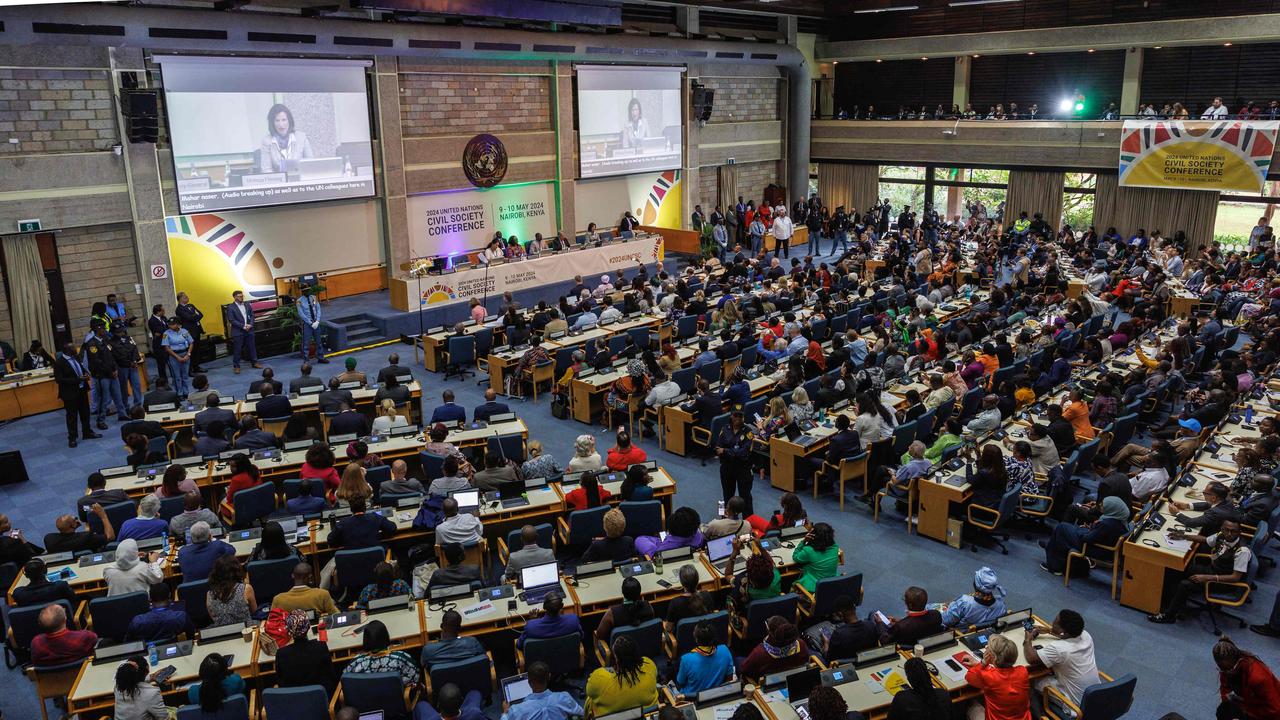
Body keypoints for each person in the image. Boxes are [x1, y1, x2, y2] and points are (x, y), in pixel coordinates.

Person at [1149, 520, 1252, 624]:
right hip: (1212, 570)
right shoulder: (1221, 535)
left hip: (1223, 582)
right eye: (1226, 530)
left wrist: (1206, 577)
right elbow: (1205, 540)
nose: (1229, 534)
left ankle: (1169, 616)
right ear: (1222, 529)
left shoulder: (1242, 551)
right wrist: (1184, 536)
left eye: (1233, 531)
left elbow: (1235, 577)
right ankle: (1174, 605)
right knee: (1175, 569)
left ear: (1239, 532)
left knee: (1184, 584)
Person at [1022, 609, 1099, 715]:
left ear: (1064, 632)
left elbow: (1031, 658)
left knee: (1030, 681)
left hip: (1076, 705)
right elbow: (1065, 635)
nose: (1052, 622)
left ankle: (1039, 715)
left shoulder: (1060, 649)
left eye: (1055, 622)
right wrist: (1050, 630)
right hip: (1095, 696)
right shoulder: (1086, 636)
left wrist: (1028, 640)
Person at [1043, 496, 1130, 576]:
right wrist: (1091, 529)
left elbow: (1087, 539)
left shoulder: (1107, 524)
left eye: (1103, 505)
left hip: (1094, 549)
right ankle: (1053, 548)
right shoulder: (1121, 521)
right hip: (1103, 548)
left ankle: (1055, 566)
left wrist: (1082, 531)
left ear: (1111, 509)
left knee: (1061, 528)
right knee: (1064, 531)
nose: (1100, 505)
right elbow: (1100, 535)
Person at [960, 634, 1031, 720]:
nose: (986, 648)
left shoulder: (988, 677)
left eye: (988, 647)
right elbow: (1000, 673)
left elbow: (969, 677)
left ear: (992, 657)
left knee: (970, 704)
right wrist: (981, 664)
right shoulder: (1023, 671)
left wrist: (982, 663)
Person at [584, 635, 659, 716]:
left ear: (617, 659)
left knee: (590, 700)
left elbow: (589, 691)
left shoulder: (599, 678)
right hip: (645, 715)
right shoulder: (649, 665)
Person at [1212, 635, 1280, 720]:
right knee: (1223, 711)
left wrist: (1246, 711)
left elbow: (1275, 710)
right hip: (1249, 704)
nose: (1226, 672)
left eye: (1229, 669)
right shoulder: (1226, 668)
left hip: (1269, 713)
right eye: (1222, 669)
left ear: (1238, 660)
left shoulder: (1258, 677)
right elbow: (1225, 692)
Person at [274, 609, 335, 694]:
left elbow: (281, 683)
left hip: (294, 703)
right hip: (321, 701)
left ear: (288, 630)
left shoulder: (281, 654)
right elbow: (331, 677)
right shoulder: (321, 647)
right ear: (308, 626)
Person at [54, 340, 100, 447]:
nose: (76, 349)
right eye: (73, 348)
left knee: (85, 413)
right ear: (68, 350)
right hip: (70, 394)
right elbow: (59, 379)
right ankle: (72, 438)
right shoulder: (59, 363)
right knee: (72, 416)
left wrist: (85, 375)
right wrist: (77, 379)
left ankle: (87, 432)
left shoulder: (76, 358)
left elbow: (81, 370)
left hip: (82, 390)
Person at [501, 660, 582, 720]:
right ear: (549, 677)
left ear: (529, 682)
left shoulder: (517, 710)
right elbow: (581, 713)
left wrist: (505, 712)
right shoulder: (564, 698)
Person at [674, 620, 734, 697]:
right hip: (717, 696)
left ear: (696, 639)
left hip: (690, 698)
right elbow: (729, 680)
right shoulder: (725, 650)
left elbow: (679, 684)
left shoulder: (686, 659)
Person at [739, 616, 808, 679]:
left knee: (737, 659)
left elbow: (744, 670)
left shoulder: (759, 653)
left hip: (767, 683)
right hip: (792, 678)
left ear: (770, 633)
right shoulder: (801, 644)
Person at [940, 567, 1007, 629]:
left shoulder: (964, 603)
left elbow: (945, 621)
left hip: (960, 635)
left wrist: (952, 605)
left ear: (976, 584)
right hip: (983, 634)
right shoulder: (1001, 605)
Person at [126, 581, 195, 643]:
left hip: (148, 655)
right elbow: (191, 637)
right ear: (169, 595)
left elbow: (128, 643)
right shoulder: (181, 617)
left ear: (150, 599)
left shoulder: (137, 622)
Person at [31, 602, 98, 665]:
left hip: (50, 677)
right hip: (84, 673)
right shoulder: (85, 637)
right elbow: (95, 641)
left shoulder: (36, 643)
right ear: (65, 619)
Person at [716, 410, 756, 516]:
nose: (737, 418)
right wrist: (733, 452)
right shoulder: (725, 429)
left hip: (743, 469)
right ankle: (728, 519)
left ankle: (748, 521)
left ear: (743, 417)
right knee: (727, 495)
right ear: (731, 416)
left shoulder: (748, 432)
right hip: (727, 467)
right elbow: (718, 447)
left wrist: (726, 451)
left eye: (740, 416)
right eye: (735, 415)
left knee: (745, 496)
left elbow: (743, 453)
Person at [595, 575, 656, 643]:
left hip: (621, 652)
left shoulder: (612, 613)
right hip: (646, 648)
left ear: (623, 593)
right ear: (640, 592)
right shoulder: (648, 606)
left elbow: (599, 636)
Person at [421, 608, 486, 670]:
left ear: (441, 626)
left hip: (444, 681)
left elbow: (424, 664)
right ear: (460, 628)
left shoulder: (428, 650)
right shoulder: (472, 642)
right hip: (471, 679)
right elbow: (482, 657)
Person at [112, 655, 170, 720]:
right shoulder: (151, 693)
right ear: (147, 668)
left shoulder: (118, 687)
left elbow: (132, 680)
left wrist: (152, 676)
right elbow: (164, 718)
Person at [271, 562, 339, 615]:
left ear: (292, 576)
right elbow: (336, 616)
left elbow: (271, 625)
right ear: (310, 577)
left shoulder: (278, 599)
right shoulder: (322, 594)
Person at [206, 554, 256, 626]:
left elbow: (214, 618)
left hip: (221, 633)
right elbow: (254, 612)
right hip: (246, 630)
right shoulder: (246, 589)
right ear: (237, 570)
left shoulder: (209, 594)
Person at [44, 505, 115, 554]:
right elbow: (110, 537)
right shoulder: (87, 537)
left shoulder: (48, 539)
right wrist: (103, 516)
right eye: (75, 519)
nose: (76, 519)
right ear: (73, 525)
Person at [792, 522, 840, 593]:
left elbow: (795, 557)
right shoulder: (835, 547)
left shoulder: (809, 551)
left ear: (813, 536)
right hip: (832, 583)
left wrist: (804, 541)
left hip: (814, 587)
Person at [12, 558, 77, 608]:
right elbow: (74, 601)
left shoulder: (19, 594)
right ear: (45, 570)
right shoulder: (60, 586)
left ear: (26, 575)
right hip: (60, 621)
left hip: (33, 624)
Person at [225, 289, 259, 374]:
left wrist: (250, 324)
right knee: (238, 349)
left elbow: (252, 315)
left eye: (242, 296)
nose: (242, 298)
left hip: (249, 330)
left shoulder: (247, 304)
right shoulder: (230, 307)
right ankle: (236, 366)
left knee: (252, 347)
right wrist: (243, 326)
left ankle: (254, 362)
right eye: (240, 296)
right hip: (238, 331)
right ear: (235, 297)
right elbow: (232, 320)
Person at [174, 292, 206, 374]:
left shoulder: (191, 305)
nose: (187, 297)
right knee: (190, 351)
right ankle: (189, 369)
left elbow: (201, 314)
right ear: (180, 299)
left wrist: (194, 316)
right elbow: (189, 318)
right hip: (189, 332)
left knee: (197, 350)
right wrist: (195, 315)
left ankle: (196, 367)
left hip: (197, 330)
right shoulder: (179, 309)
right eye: (185, 297)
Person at [161, 316, 194, 397]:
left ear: (178, 324)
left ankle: (186, 392)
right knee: (177, 377)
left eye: (173, 324)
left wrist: (188, 354)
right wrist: (177, 357)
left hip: (185, 354)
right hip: (174, 356)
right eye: (169, 324)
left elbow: (191, 343)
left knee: (185, 375)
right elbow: (166, 348)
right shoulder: (166, 333)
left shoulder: (184, 331)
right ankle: (179, 393)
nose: (170, 326)